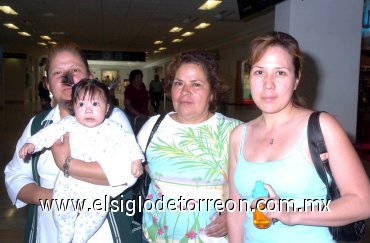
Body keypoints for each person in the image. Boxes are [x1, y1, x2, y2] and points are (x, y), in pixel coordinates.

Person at [227, 31, 370, 242]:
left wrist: (292, 214)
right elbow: (236, 210)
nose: (268, 84)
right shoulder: (239, 135)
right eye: (259, 72)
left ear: (296, 79)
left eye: (280, 73)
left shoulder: (321, 127)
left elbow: (363, 202)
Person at [4, 42, 135, 242]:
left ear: (90, 78)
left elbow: (128, 171)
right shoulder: (39, 125)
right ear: (47, 84)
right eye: (58, 73)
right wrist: (53, 197)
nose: (68, 79)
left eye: (75, 70)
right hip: (50, 233)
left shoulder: (112, 120)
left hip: (101, 234)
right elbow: (14, 175)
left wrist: (66, 163)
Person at [18, 78, 144, 243]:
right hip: (69, 184)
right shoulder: (68, 124)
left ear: (107, 109)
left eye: (95, 105)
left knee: (96, 214)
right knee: (60, 209)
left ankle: (79, 239)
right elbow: (48, 133)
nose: (88, 110)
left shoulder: (113, 128)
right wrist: (32, 143)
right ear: (74, 108)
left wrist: (136, 159)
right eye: (82, 105)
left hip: (98, 188)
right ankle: (64, 237)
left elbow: (129, 143)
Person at [137, 50, 242, 242]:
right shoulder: (153, 127)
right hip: (155, 236)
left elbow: (255, 186)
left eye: (196, 84)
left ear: (212, 92)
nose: (185, 91)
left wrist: (234, 215)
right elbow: (137, 170)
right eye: (178, 83)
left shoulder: (234, 131)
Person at [124, 69, 150, 134]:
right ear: (133, 79)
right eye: (137, 78)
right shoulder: (129, 89)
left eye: (141, 77)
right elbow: (127, 105)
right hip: (133, 116)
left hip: (144, 114)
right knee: (135, 133)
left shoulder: (142, 86)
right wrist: (139, 114)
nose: (140, 79)